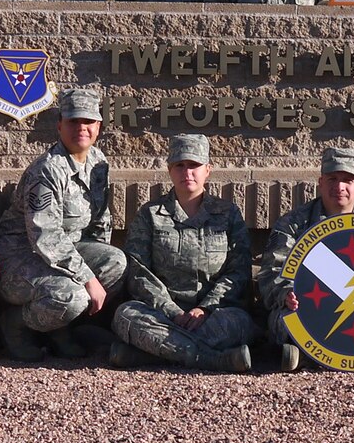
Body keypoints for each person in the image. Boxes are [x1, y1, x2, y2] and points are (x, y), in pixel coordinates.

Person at [0, 88, 126, 360]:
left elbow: (100, 220)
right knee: (72, 297)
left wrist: (94, 271)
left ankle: (58, 327)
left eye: (88, 121)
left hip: (65, 252)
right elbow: (46, 236)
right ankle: (15, 324)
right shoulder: (47, 170)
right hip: (19, 255)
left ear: (98, 127)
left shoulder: (98, 163)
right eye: (73, 121)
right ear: (60, 126)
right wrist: (87, 278)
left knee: (115, 264)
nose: (81, 127)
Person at [107, 135, 256, 372]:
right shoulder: (150, 214)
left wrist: (205, 309)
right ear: (169, 170)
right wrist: (172, 312)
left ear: (208, 170)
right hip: (163, 315)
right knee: (126, 315)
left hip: (214, 314)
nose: (187, 172)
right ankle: (210, 359)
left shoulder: (228, 214)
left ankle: (151, 355)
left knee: (239, 324)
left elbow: (238, 272)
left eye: (194, 165)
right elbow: (138, 272)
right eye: (180, 165)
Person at [257, 145, 354, 372]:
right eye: (332, 179)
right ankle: (348, 353)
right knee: (286, 321)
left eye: (347, 180)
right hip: (309, 306)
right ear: (320, 183)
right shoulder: (293, 224)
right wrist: (287, 293)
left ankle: (309, 355)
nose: (339, 187)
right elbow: (271, 273)